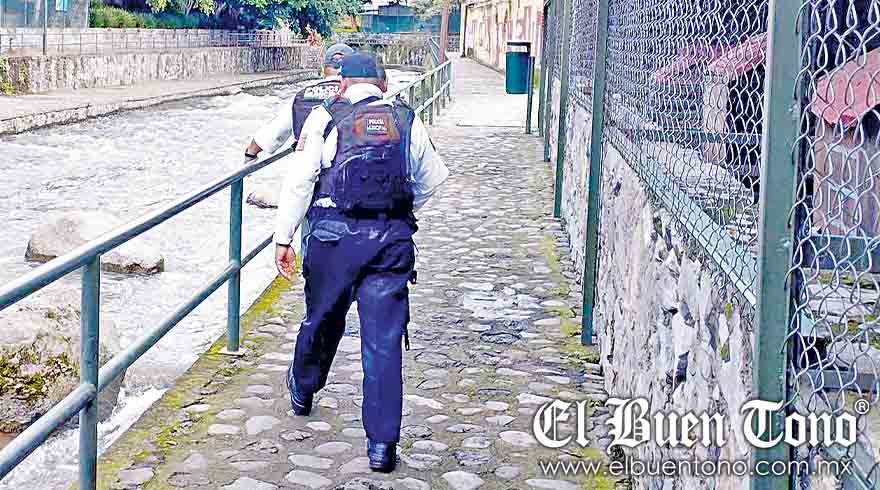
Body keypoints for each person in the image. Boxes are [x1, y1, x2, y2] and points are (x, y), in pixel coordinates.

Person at [272, 53, 448, 473]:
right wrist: (398, 213)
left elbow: (300, 182)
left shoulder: (324, 117)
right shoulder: (406, 119)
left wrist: (283, 237)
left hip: (332, 242)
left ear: (342, 84)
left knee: (321, 319)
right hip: (390, 245)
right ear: (384, 85)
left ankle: (303, 389)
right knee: (384, 342)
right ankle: (382, 447)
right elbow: (431, 180)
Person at [244, 43, 356, 162]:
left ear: (323, 69)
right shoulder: (360, 96)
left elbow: (271, 136)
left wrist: (250, 154)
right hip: (349, 168)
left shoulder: (300, 97)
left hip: (308, 169)